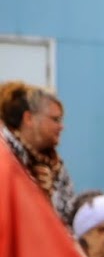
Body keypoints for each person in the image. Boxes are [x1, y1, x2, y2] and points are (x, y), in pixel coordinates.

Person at [1, 81, 75, 222]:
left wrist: (50, 196)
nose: (61, 127)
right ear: (29, 118)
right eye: (55, 119)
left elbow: (69, 220)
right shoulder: (5, 155)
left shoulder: (56, 166)